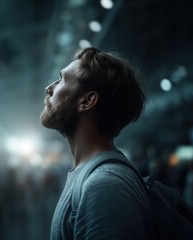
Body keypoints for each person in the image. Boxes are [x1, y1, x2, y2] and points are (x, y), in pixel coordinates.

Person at [40, 47, 151, 239]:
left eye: (62, 80)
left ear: (87, 100)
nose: (49, 88)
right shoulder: (95, 177)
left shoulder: (104, 187)